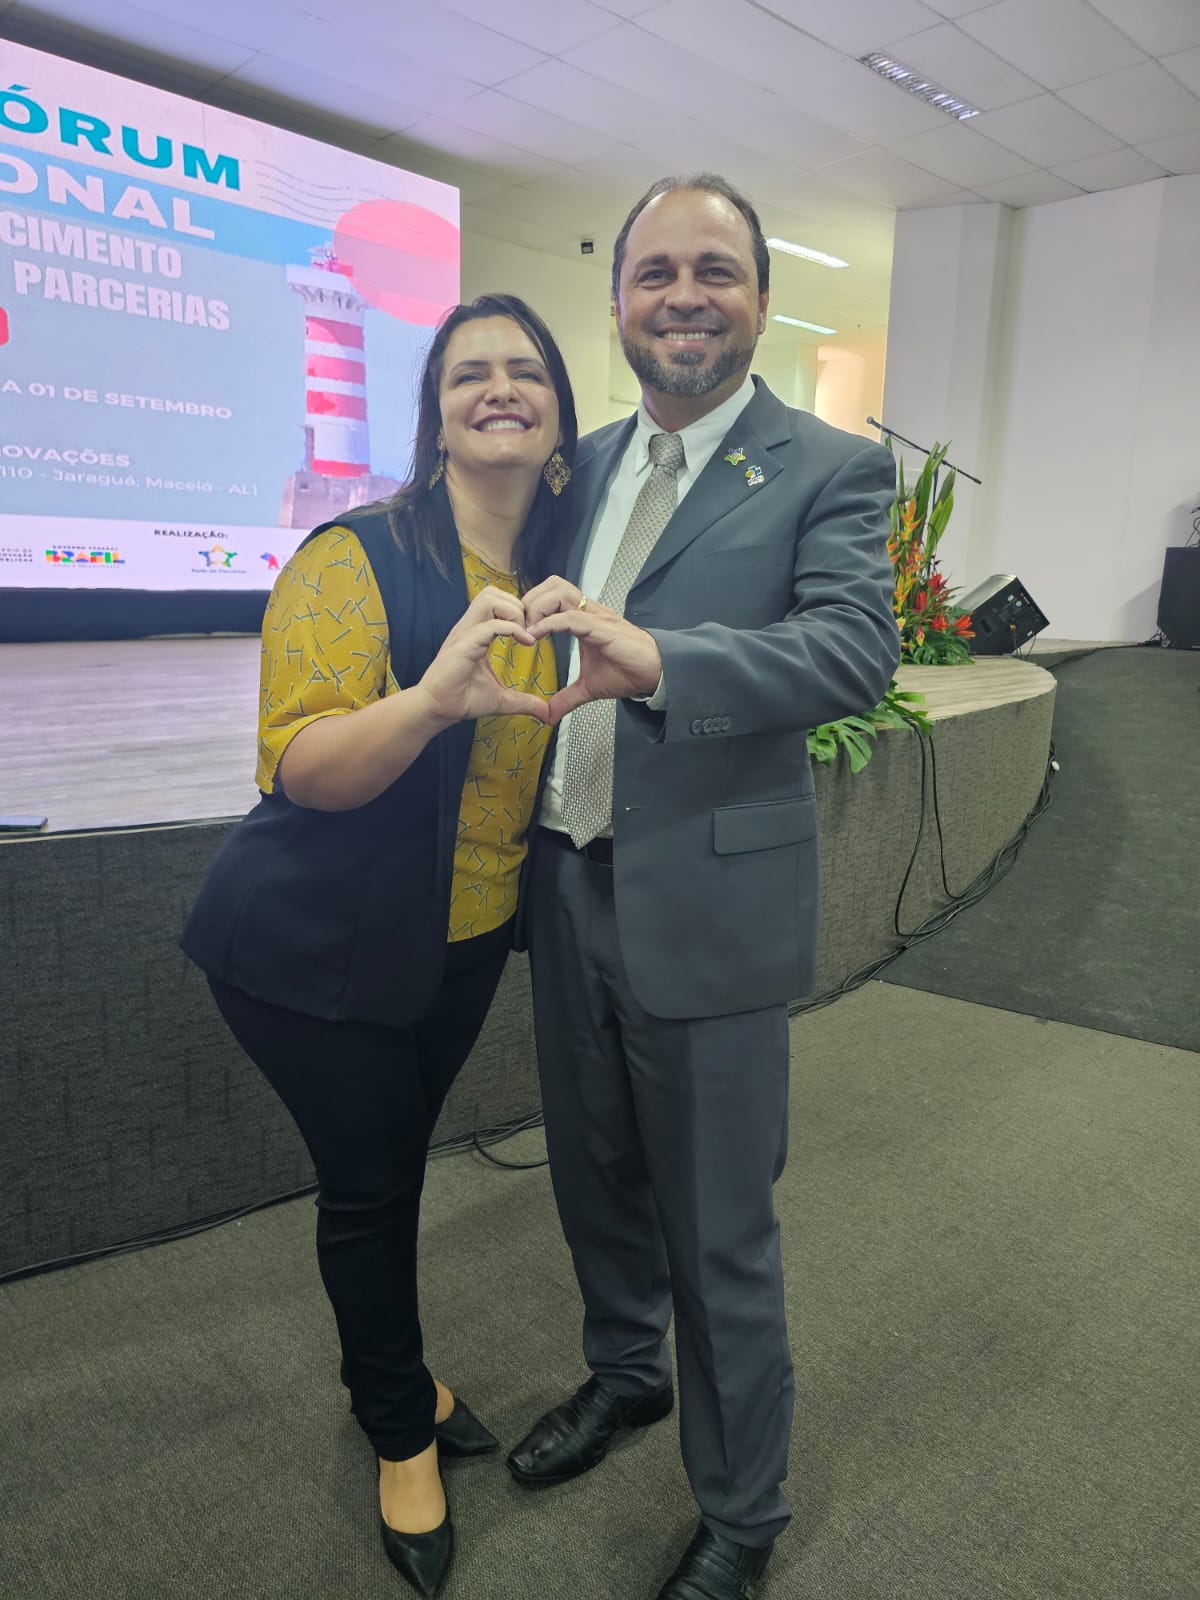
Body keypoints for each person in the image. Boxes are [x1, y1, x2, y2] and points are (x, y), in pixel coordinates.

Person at [506, 177, 901, 1599]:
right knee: (593, 1177)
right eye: (656, 271)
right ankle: (627, 1371)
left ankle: (743, 1513)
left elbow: (854, 651)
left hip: (711, 904)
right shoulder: (580, 468)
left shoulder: (826, 467)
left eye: (716, 271)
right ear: (617, 299)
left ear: (761, 300)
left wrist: (665, 661)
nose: (685, 295)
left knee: (719, 1229)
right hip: (565, 880)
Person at [181, 294, 576, 1598]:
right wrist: (427, 703)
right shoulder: (352, 558)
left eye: (525, 370)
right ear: (436, 418)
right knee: (369, 1187)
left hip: (459, 944)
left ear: (560, 417)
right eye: (470, 374)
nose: (500, 387)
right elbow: (303, 768)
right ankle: (398, 1424)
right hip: (310, 947)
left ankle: (390, 1368)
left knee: (396, 1171)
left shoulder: (564, 575)